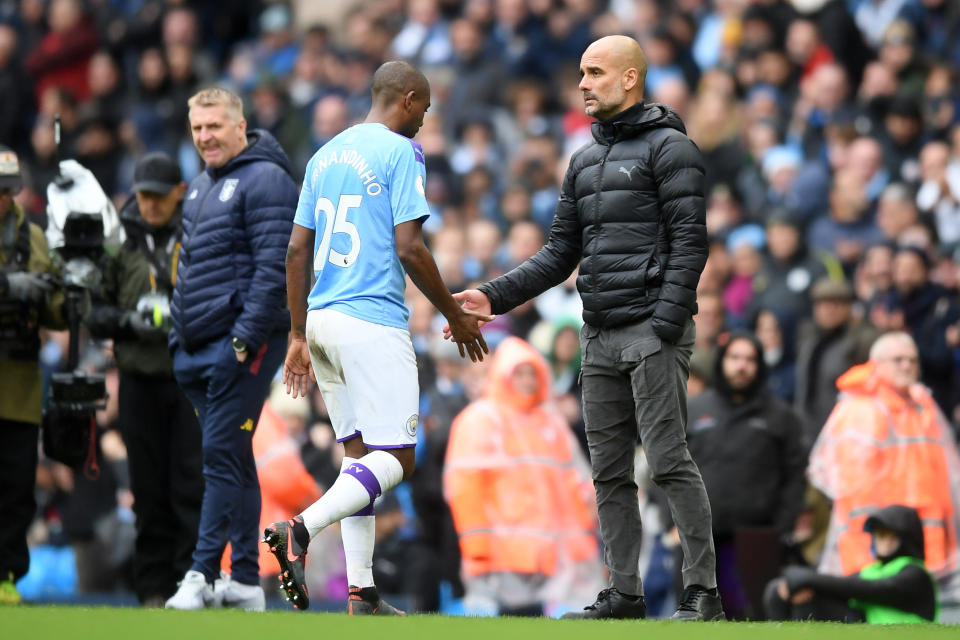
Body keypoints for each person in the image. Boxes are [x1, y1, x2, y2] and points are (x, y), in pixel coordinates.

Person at [447, 35, 723, 621]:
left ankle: (702, 592)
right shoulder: (584, 160)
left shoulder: (671, 148)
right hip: (597, 334)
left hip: (652, 330)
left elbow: (690, 245)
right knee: (609, 471)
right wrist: (492, 296)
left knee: (669, 461)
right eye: (580, 72)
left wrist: (666, 323)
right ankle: (624, 593)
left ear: (630, 79)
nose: (582, 83)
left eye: (594, 72)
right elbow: (557, 255)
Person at [266, 60, 490, 615]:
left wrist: (297, 333)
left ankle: (362, 592)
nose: (425, 122)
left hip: (321, 319)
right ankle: (300, 528)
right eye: (426, 110)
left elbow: (296, 251)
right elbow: (410, 247)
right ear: (409, 100)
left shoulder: (323, 155)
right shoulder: (400, 152)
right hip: (372, 320)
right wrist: (455, 315)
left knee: (357, 458)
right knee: (400, 458)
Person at [165, 88, 297, 610]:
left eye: (214, 127)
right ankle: (244, 579)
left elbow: (275, 267)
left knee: (219, 456)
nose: (205, 138)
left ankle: (201, 573)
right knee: (234, 459)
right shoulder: (198, 186)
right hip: (196, 347)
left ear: (241, 126)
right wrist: (179, 340)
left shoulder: (267, 179)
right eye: (197, 129)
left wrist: (244, 339)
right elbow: (189, 269)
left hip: (243, 344)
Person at [85, 152, 203, 608]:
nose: (150, 205)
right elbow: (94, 312)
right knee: (148, 488)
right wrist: (130, 322)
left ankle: (188, 583)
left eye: (158, 196)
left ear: (178, 192)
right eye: (143, 196)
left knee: (189, 484)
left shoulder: (194, 233)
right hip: (137, 378)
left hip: (186, 378)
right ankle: (152, 589)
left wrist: (179, 315)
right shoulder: (117, 240)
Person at [443, 337, 601, 617]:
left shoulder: (549, 422)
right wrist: (477, 549)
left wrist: (585, 538)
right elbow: (465, 488)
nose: (527, 381)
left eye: (532, 373)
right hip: (500, 555)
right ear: (503, 374)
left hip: (552, 557)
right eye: (520, 373)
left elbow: (575, 482)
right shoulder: (481, 419)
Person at [808, 331, 960, 579]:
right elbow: (854, 492)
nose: (907, 365)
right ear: (876, 364)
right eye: (898, 359)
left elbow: (948, 474)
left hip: (927, 537)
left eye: (912, 360)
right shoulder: (862, 409)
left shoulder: (922, 406)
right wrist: (871, 548)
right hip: (880, 541)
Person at [686, 331, 806, 618]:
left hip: (757, 539)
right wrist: (671, 519)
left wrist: (782, 527)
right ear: (721, 361)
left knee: (753, 620)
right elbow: (665, 465)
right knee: (696, 622)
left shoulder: (781, 417)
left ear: (760, 366)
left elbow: (795, 476)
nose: (742, 366)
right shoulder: (693, 408)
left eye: (750, 359)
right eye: (735, 358)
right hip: (699, 539)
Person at [0, 145, 65, 605]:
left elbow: (56, 314)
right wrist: (7, 285)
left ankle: (6, 576)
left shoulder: (34, 238)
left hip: (19, 385)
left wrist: (66, 298)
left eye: (7, 190)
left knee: (16, 487)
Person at [764, 504, 938, 624]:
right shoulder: (873, 570)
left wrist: (807, 578)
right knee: (784, 590)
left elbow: (870, 589)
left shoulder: (915, 574)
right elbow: (847, 587)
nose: (883, 542)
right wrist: (799, 584)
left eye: (890, 536)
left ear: (905, 539)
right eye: (879, 535)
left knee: (805, 589)